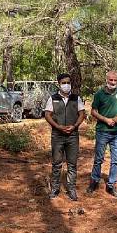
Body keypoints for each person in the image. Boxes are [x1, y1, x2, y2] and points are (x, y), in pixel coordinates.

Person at [87, 70, 117, 198]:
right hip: (102, 131)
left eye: (115, 80)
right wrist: (105, 119)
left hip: (116, 133)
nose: (113, 82)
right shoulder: (99, 94)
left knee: (115, 160)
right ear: (106, 80)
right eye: (110, 80)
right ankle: (94, 181)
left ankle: (111, 185)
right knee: (98, 159)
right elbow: (93, 111)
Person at [44, 73, 86, 201]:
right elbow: (47, 115)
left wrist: (74, 126)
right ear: (59, 84)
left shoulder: (76, 98)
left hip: (73, 135)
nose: (66, 85)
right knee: (57, 163)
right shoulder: (53, 98)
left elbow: (82, 114)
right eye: (63, 83)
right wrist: (58, 127)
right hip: (57, 135)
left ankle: (71, 189)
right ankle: (55, 188)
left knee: (72, 164)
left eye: (68, 82)